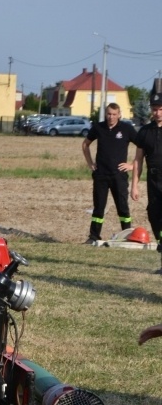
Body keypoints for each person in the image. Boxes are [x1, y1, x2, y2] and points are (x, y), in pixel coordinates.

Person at [82, 102, 136, 244]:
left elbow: (142, 147)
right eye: (109, 114)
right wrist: (90, 163)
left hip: (119, 175)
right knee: (99, 208)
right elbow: (85, 144)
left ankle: (127, 236)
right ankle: (94, 236)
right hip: (101, 175)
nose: (111, 117)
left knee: (123, 207)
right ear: (106, 114)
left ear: (119, 115)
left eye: (114, 114)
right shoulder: (98, 127)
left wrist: (132, 165)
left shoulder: (127, 129)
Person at [131, 79, 162, 273]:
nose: (157, 112)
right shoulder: (145, 132)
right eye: (154, 109)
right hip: (153, 179)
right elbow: (138, 160)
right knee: (153, 214)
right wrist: (134, 185)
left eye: (160, 109)